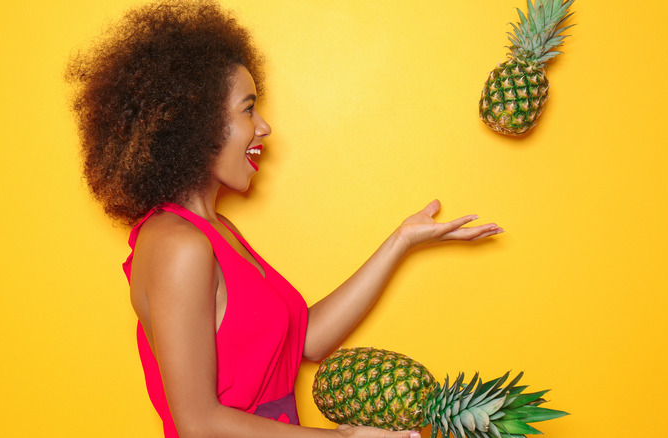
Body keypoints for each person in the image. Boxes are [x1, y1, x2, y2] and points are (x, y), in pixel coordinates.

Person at [66, 1, 504, 437]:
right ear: (195, 121)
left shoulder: (220, 232)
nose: (264, 127)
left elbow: (306, 340)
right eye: (247, 109)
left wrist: (401, 240)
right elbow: (198, 423)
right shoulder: (174, 245)